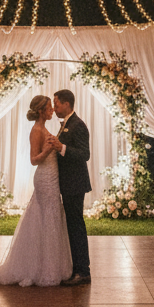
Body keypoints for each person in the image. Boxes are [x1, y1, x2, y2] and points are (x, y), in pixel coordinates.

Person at [0, 95, 72, 288]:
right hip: (44, 178)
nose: (52, 110)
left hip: (53, 177)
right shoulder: (36, 130)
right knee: (45, 217)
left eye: (53, 107)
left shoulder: (43, 128)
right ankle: (41, 269)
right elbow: (34, 159)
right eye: (50, 108)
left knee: (50, 218)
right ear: (42, 111)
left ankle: (50, 265)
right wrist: (48, 148)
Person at [52, 89, 92, 286]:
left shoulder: (78, 125)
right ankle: (77, 268)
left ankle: (83, 271)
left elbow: (85, 155)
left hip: (75, 184)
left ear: (67, 104)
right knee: (73, 225)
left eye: (56, 104)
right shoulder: (67, 124)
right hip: (68, 183)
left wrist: (61, 148)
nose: (54, 108)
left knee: (76, 226)